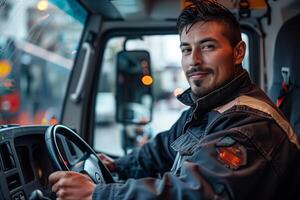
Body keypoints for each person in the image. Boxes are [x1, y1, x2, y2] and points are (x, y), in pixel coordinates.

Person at [49, 0, 300, 199]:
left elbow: (197, 192)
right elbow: (160, 149)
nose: (194, 60)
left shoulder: (249, 125)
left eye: (208, 46)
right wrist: (117, 166)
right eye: (186, 49)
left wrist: (97, 194)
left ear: (238, 52)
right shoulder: (208, 108)